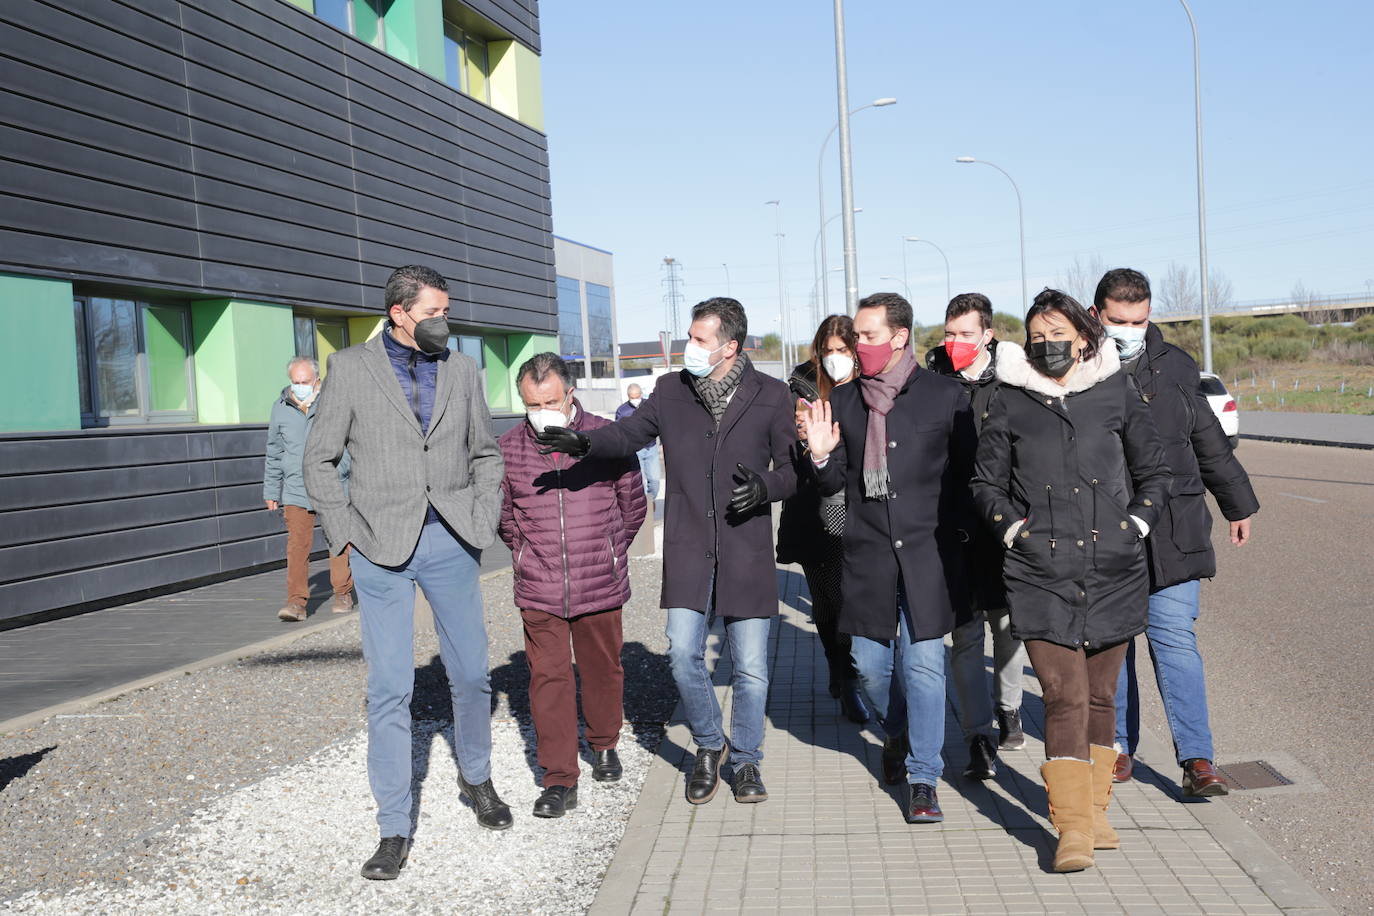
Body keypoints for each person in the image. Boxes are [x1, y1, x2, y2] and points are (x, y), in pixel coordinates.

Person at [537, 297, 798, 806]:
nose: (689, 348)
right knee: (681, 655)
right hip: (688, 548)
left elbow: (792, 469)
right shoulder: (670, 390)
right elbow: (628, 433)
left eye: (700, 340)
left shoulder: (771, 395)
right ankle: (707, 745)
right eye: (690, 337)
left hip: (745, 551)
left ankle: (746, 762)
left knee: (751, 669)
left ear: (730, 346)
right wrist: (585, 442)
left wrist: (767, 487)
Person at [303, 265, 510, 881]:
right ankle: (394, 825)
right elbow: (319, 458)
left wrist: (479, 518)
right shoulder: (348, 368)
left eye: (448, 310)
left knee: (472, 673)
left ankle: (477, 778)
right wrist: (344, 533)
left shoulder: (463, 368)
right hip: (377, 543)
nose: (446, 321)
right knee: (389, 687)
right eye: (434, 311)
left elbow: (486, 453)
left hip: (451, 537)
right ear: (399, 313)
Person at [971, 288, 1171, 872]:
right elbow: (985, 485)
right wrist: (1014, 532)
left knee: (1103, 697)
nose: (1046, 345)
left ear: (1084, 336)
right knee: (1064, 695)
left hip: (1113, 566)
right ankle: (1073, 828)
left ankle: (1099, 811)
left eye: (1057, 334)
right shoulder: (1009, 400)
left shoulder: (1116, 390)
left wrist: (1134, 524)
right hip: (1040, 570)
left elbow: (1154, 470)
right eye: (1037, 336)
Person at [803, 292, 977, 825]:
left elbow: (969, 479)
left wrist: (966, 545)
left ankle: (925, 778)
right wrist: (819, 454)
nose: (860, 344)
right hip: (869, 557)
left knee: (924, 667)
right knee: (873, 670)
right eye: (857, 335)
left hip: (928, 556)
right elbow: (835, 484)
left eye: (869, 335)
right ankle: (897, 733)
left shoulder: (946, 397)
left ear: (899, 337)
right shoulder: (847, 401)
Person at [1091, 268, 1259, 796]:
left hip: (1175, 527)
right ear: (1097, 315)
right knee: (1115, 645)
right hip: (1109, 531)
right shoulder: (1079, 369)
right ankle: (1118, 746)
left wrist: (1237, 504)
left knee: (1174, 639)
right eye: (1118, 320)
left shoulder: (1176, 367)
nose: (1129, 329)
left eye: (1138, 320)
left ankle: (1198, 759)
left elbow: (1207, 440)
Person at [498, 353, 648, 819]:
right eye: (530, 403)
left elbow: (633, 505)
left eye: (548, 400)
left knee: (603, 668)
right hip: (539, 583)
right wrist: (526, 554)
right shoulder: (508, 448)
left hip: (598, 578)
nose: (540, 410)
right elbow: (506, 518)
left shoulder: (607, 437)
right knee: (548, 678)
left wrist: (609, 550)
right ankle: (559, 777)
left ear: (569, 394)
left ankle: (604, 743)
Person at [924, 293, 1030, 779]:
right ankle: (977, 736)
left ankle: (1009, 707)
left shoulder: (1014, 382)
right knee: (965, 636)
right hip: (954, 529)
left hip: (1004, 526)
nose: (955, 343)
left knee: (1008, 630)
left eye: (965, 334)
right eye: (949, 334)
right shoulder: (932, 383)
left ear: (988, 334)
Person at [776, 315, 868, 724]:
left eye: (843, 350)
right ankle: (842, 673)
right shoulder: (798, 387)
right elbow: (779, 447)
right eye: (827, 350)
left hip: (861, 510)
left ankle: (859, 673)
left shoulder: (872, 387)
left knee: (856, 600)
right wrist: (798, 438)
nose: (834, 358)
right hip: (815, 512)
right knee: (828, 601)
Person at [263, 356, 353, 622]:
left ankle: (342, 593)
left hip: (331, 486)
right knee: (297, 547)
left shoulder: (334, 403)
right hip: (295, 488)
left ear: (317, 380)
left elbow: (349, 443)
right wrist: (271, 489)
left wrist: (339, 470)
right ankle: (296, 604)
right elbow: (274, 450)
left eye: (305, 381)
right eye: (295, 382)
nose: (299, 386)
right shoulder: (279, 407)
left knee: (338, 542)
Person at [616, 383, 661, 501]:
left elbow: (660, 423)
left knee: (655, 481)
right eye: (632, 397)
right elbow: (619, 431)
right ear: (628, 396)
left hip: (651, 448)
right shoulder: (622, 411)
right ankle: (645, 507)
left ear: (641, 394)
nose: (635, 400)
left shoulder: (649, 406)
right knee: (639, 482)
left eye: (636, 396)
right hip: (635, 450)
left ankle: (651, 501)